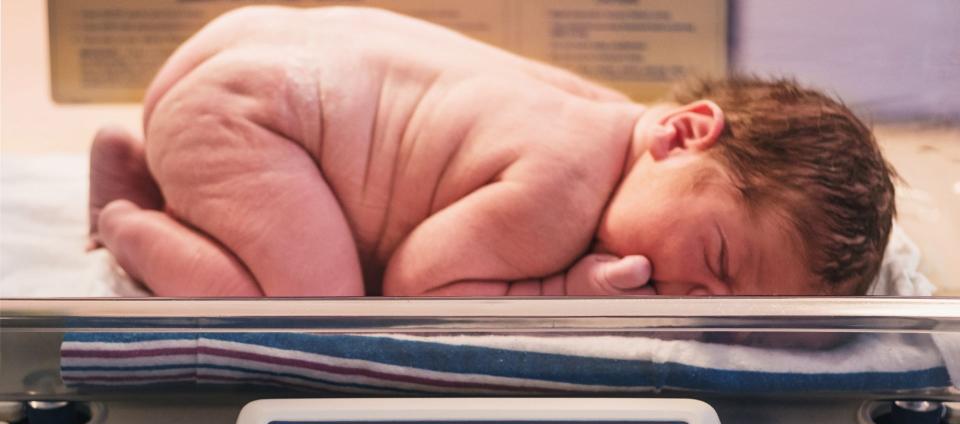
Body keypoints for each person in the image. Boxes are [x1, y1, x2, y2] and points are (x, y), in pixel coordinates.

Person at [88, 5, 896, 297]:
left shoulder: (605, 117)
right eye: (716, 258)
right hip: (253, 116)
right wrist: (566, 291)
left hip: (245, 48)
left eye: (730, 311)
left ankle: (143, 152)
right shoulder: (560, 195)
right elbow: (414, 285)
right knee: (318, 302)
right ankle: (130, 219)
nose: (692, 297)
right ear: (682, 134)